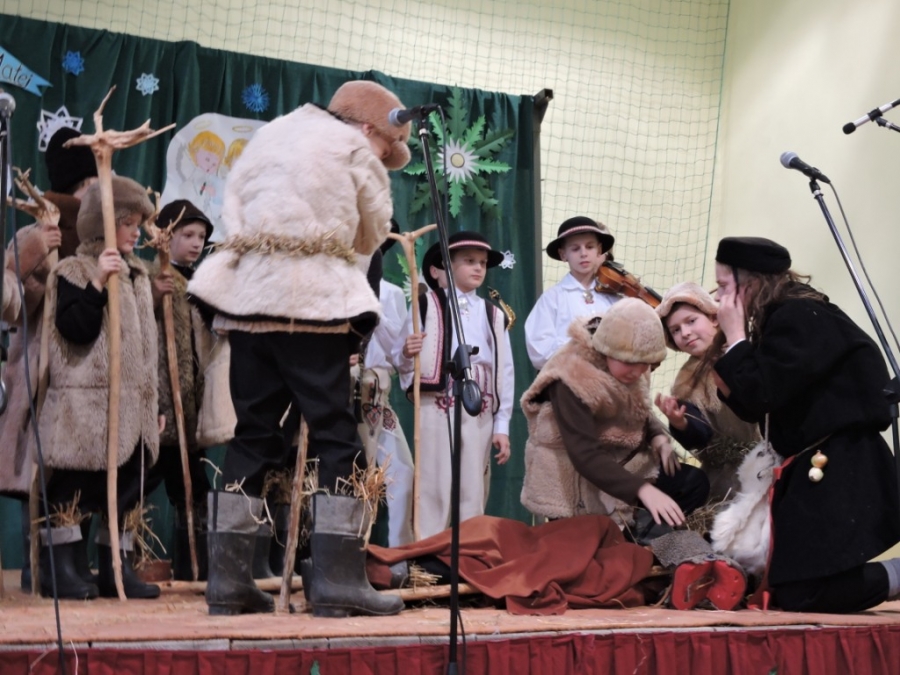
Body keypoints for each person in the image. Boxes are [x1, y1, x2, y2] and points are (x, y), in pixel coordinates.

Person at [187, 80, 412, 617]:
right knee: (336, 434)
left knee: (254, 434)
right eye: (386, 147)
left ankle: (228, 582)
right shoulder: (353, 147)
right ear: (368, 127)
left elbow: (233, 204)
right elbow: (373, 233)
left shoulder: (272, 134)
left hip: (248, 301)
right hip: (311, 304)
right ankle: (336, 580)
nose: (383, 157)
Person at [712, 236, 900, 613]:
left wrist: (735, 340)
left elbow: (762, 393)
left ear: (749, 284)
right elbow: (761, 405)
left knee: (803, 591)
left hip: (841, 461)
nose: (718, 297)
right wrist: (729, 369)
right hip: (821, 460)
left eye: (723, 285)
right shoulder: (784, 315)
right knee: (795, 589)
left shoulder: (797, 315)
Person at [35, 176, 162, 600]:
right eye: (128, 224)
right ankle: (60, 568)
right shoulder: (74, 271)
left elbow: (148, 346)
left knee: (127, 487)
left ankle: (116, 568)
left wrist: (155, 401)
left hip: (133, 408)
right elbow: (74, 330)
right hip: (87, 406)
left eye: (138, 225)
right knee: (73, 486)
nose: (136, 233)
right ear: (105, 225)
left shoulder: (138, 275)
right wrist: (97, 285)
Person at [0, 126, 99, 592]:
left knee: (77, 467)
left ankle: (70, 563)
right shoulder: (37, 233)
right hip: (43, 372)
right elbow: (17, 304)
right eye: (88, 183)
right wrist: (39, 248)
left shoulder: (97, 238)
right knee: (40, 468)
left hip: (85, 372)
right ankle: (38, 566)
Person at [520, 298, 709, 529]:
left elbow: (638, 406)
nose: (638, 372)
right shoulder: (570, 378)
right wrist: (643, 490)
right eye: (630, 363)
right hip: (573, 477)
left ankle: (644, 541)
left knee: (692, 483)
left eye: (646, 364)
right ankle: (628, 538)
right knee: (590, 542)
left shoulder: (632, 361)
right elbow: (584, 455)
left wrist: (658, 437)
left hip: (622, 460)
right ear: (606, 349)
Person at [396, 231, 514, 540]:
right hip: (438, 401)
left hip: (479, 401)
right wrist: (406, 352)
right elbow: (401, 356)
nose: (478, 268)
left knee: (472, 482)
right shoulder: (426, 304)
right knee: (433, 480)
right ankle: (427, 550)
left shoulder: (493, 315)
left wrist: (502, 424)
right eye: (469, 261)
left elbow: (505, 370)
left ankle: (469, 551)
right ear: (441, 269)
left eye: (482, 263)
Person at [147, 199, 215, 580]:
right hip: (160, 404)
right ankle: (117, 554)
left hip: (187, 407)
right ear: (164, 238)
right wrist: (154, 295)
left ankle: (194, 567)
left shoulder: (197, 285)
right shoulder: (151, 275)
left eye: (201, 236)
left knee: (194, 491)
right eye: (187, 234)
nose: (196, 243)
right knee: (140, 483)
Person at [654, 282, 759, 502]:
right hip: (728, 478)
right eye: (675, 330)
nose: (685, 333)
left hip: (772, 458)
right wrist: (681, 423)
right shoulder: (685, 383)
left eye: (691, 321)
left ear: (713, 318)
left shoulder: (745, 350)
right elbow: (701, 437)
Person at [524, 216, 618, 370]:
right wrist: (581, 345)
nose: (583, 253)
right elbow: (539, 352)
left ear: (599, 250)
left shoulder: (613, 297)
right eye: (575, 249)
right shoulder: (552, 298)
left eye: (590, 247)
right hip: (569, 379)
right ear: (563, 255)